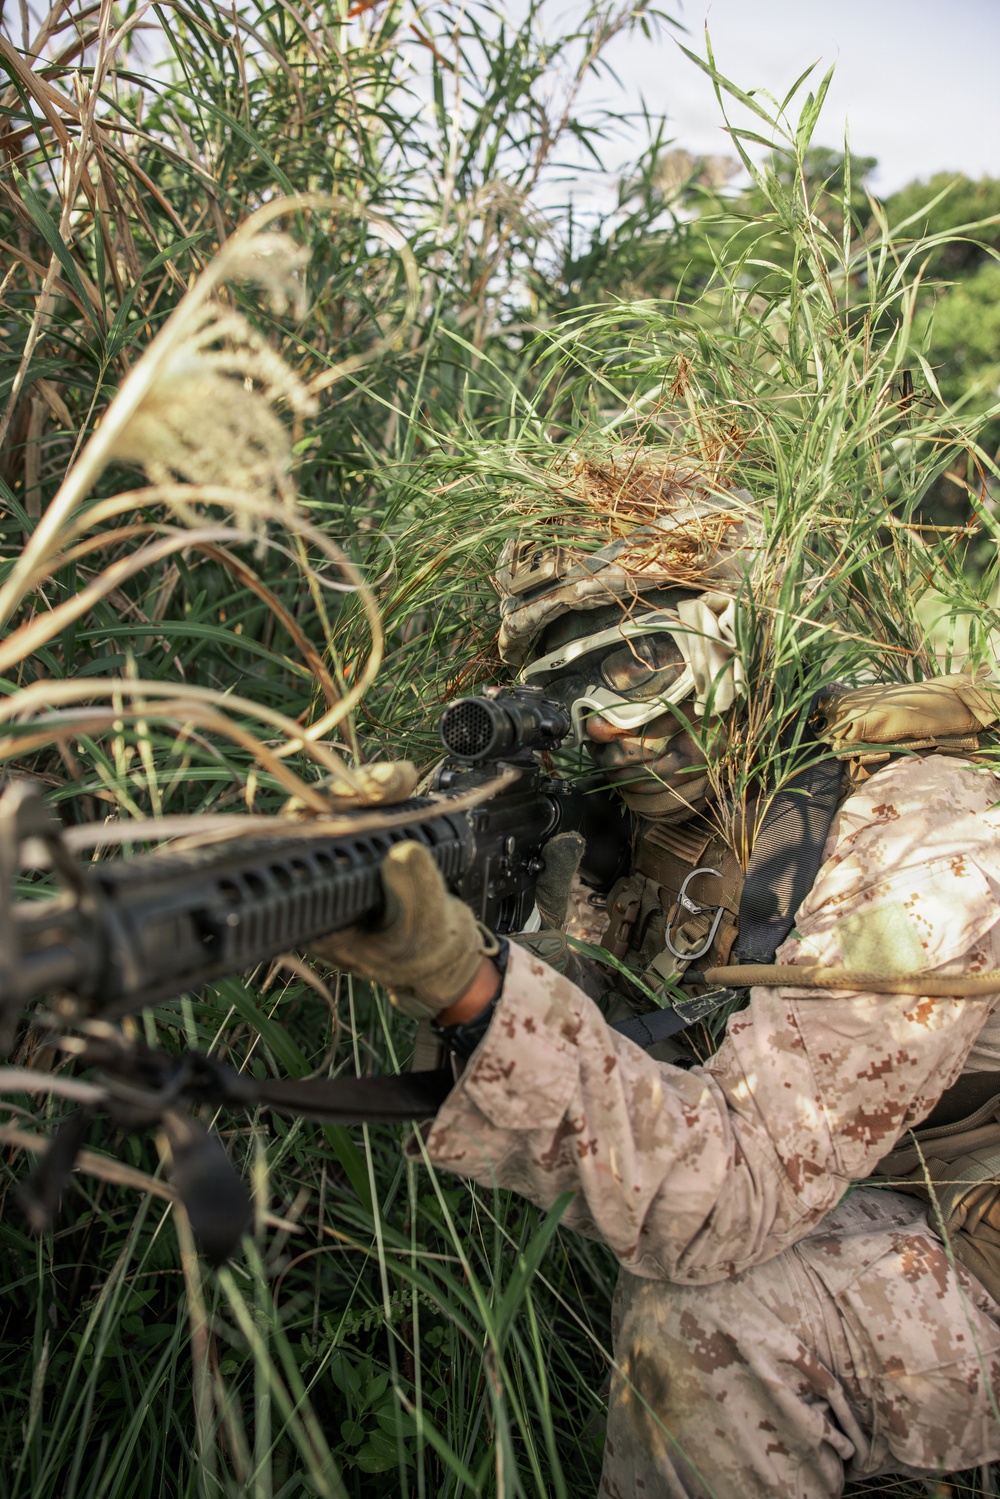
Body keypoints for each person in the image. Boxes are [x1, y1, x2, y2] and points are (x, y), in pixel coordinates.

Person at [316, 476, 1000, 1496]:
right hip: (868, 1225)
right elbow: (577, 1070)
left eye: (643, 662)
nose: (604, 724)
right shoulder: (619, 842)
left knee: (712, 1314)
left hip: (972, 1248)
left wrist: (469, 986)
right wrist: (436, 911)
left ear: (747, 641)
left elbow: (735, 1187)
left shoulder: (923, 830)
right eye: (566, 690)